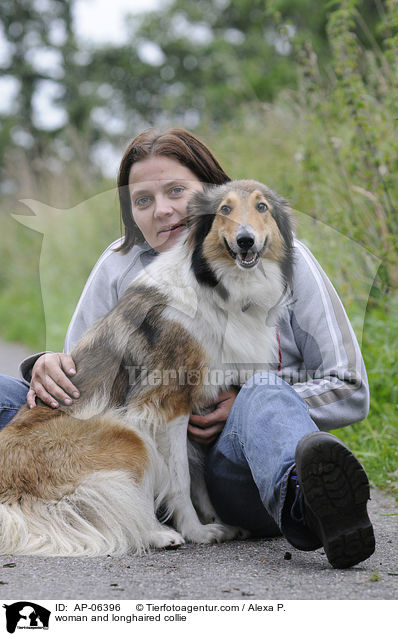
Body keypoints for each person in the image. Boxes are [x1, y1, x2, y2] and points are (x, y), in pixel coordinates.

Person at [0, 128, 375, 568]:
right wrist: (45, 363)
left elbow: (350, 386)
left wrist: (246, 404)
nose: (162, 211)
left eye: (176, 191)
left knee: (263, 390)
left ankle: (307, 503)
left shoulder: (284, 259)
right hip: (143, 464)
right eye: (143, 200)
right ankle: (65, 506)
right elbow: (89, 385)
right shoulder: (120, 265)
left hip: (238, 466)